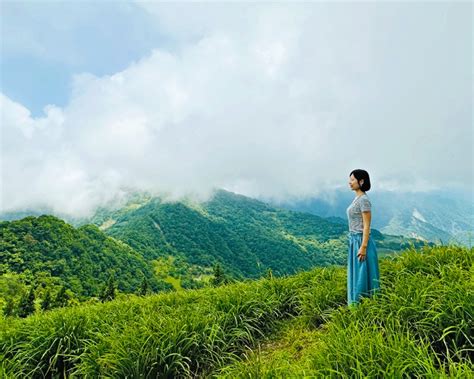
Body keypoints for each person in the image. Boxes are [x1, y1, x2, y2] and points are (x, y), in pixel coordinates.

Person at [346, 169, 381, 307]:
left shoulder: (364, 200)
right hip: (355, 240)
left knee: (362, 275)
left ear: (361, 181)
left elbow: (367, 225)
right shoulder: (357, 198)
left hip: (361, 240)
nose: (350, 182)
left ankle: (362, 307)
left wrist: (363, 246)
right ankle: (357, 306)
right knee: (358, 273)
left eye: (353, 179)